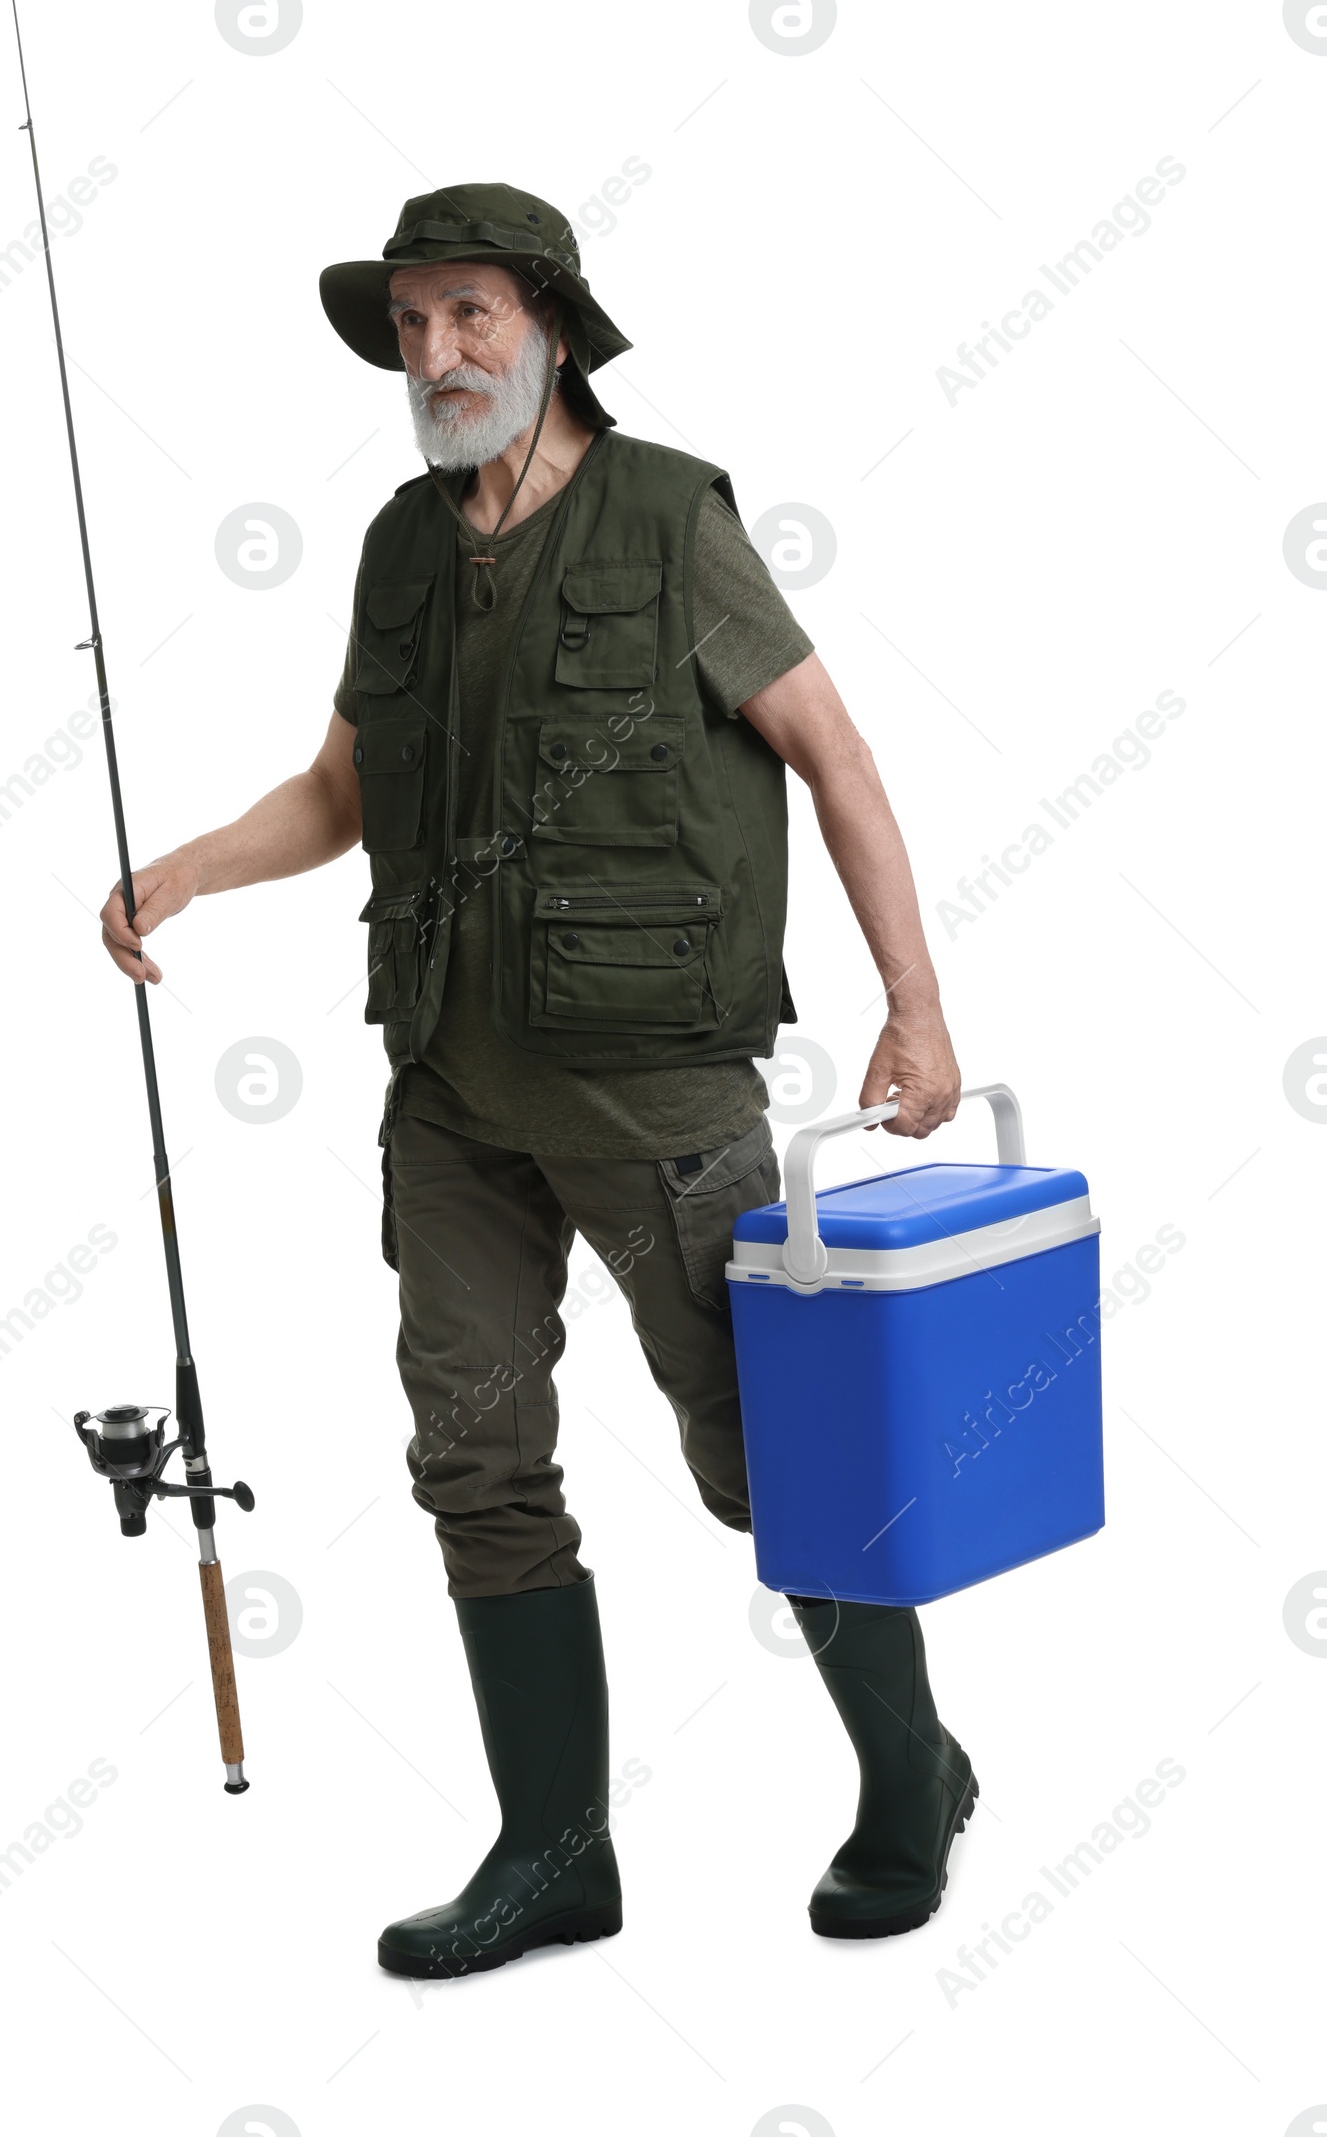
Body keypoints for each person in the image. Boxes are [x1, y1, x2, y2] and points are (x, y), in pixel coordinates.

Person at [100, 183, 973, 1978]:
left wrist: (918, 1007)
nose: (436, 354)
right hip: (451, 1092)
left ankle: (912, 1777)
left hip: (655, 1096)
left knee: (775, 1458)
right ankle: (554, 1851)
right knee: (477, 1460)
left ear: (554, 326)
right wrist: (188, 862)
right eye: (412, 323)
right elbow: (341, 792)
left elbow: (836, 753)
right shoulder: (404, 547)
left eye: (470, 314)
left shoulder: (672, 519)